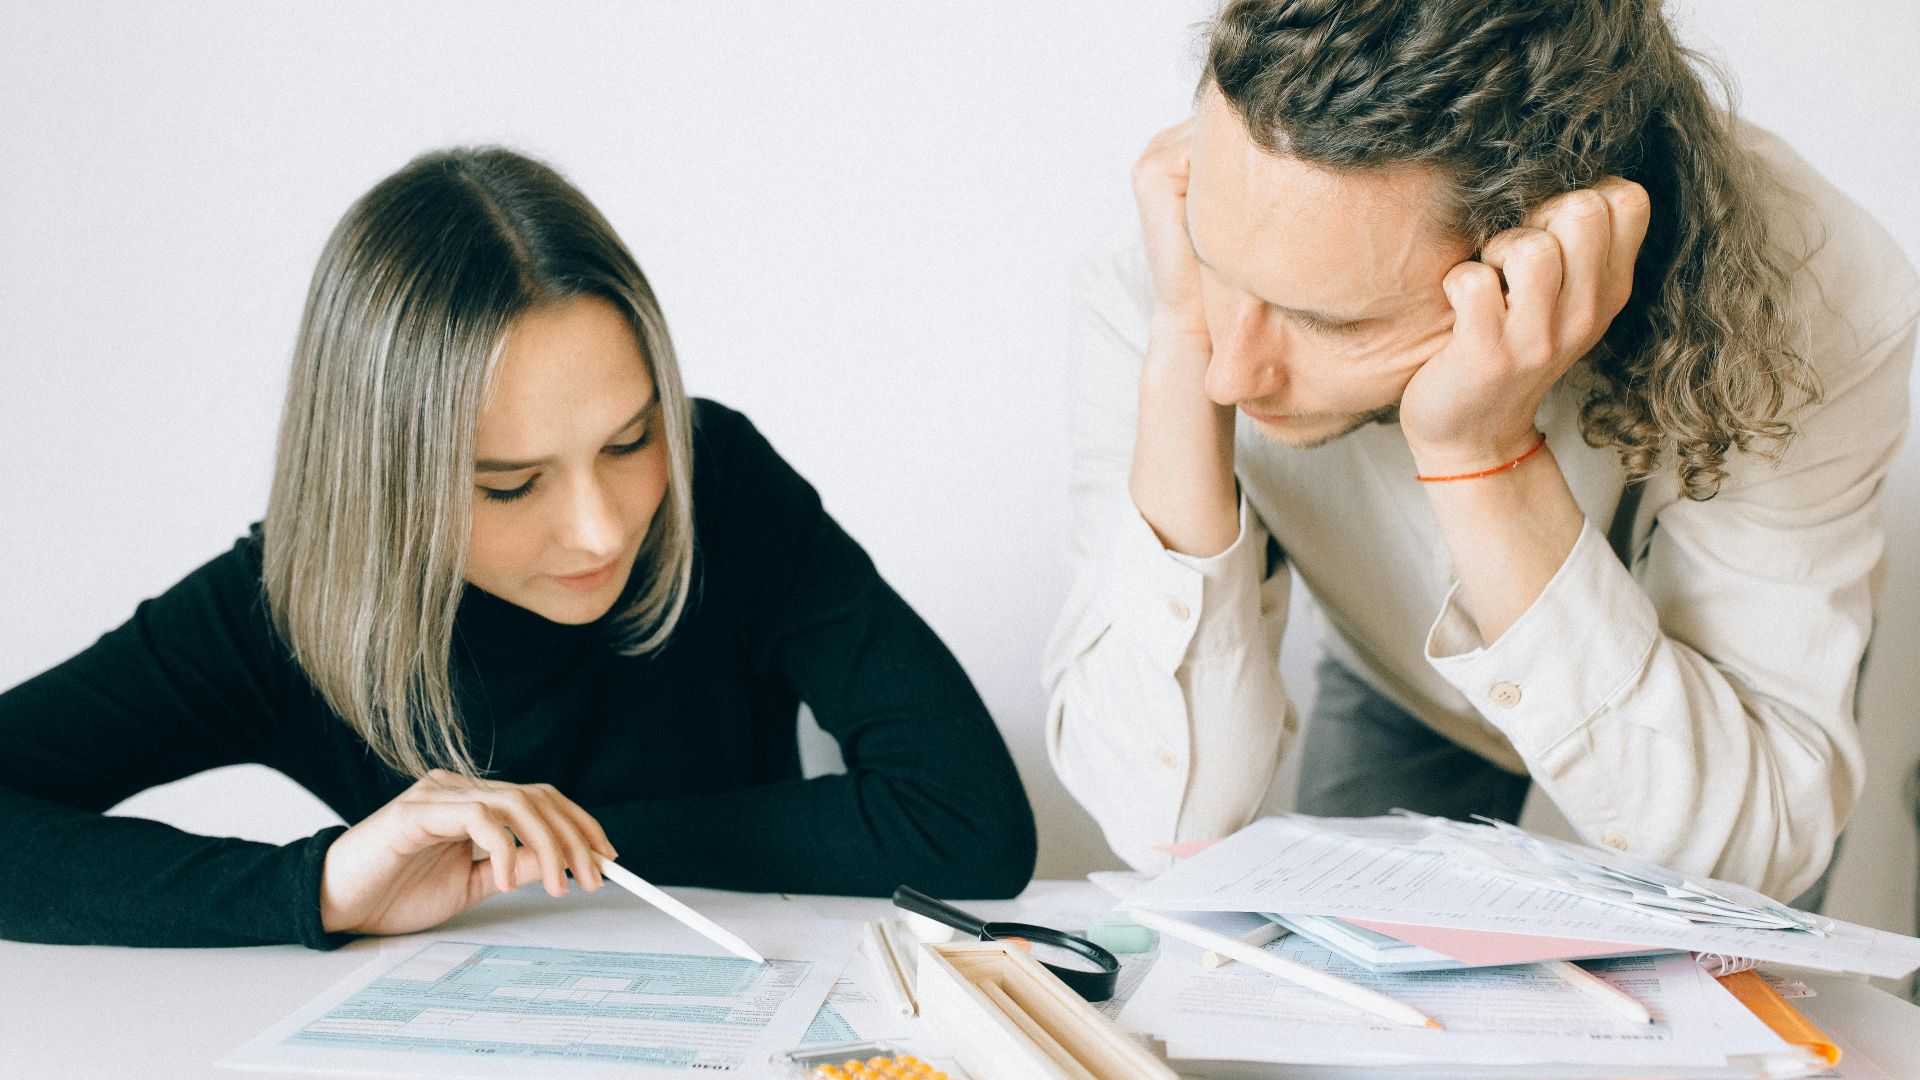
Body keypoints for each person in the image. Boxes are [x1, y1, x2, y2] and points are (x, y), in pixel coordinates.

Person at [0, 147, 1035, 949]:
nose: (600, 530)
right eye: (509, 483)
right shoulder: (282, 602)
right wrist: (322, 884)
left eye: (631, 441)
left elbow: (968, 826)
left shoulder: (719, 481)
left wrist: (555, 850)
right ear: (380, 484)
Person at [1044, 0, 1918, 905]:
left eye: (1329, 322)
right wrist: (1179, 334)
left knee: (1732, 1029)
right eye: (1214, 267)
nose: (1234, 373)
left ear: (1536, 251)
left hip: (1711, 710)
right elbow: (1163, 826)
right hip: (1396, 670)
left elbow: (1750, 854)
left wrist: (1481, 454)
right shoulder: (1165, 267)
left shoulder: (1820, 295)